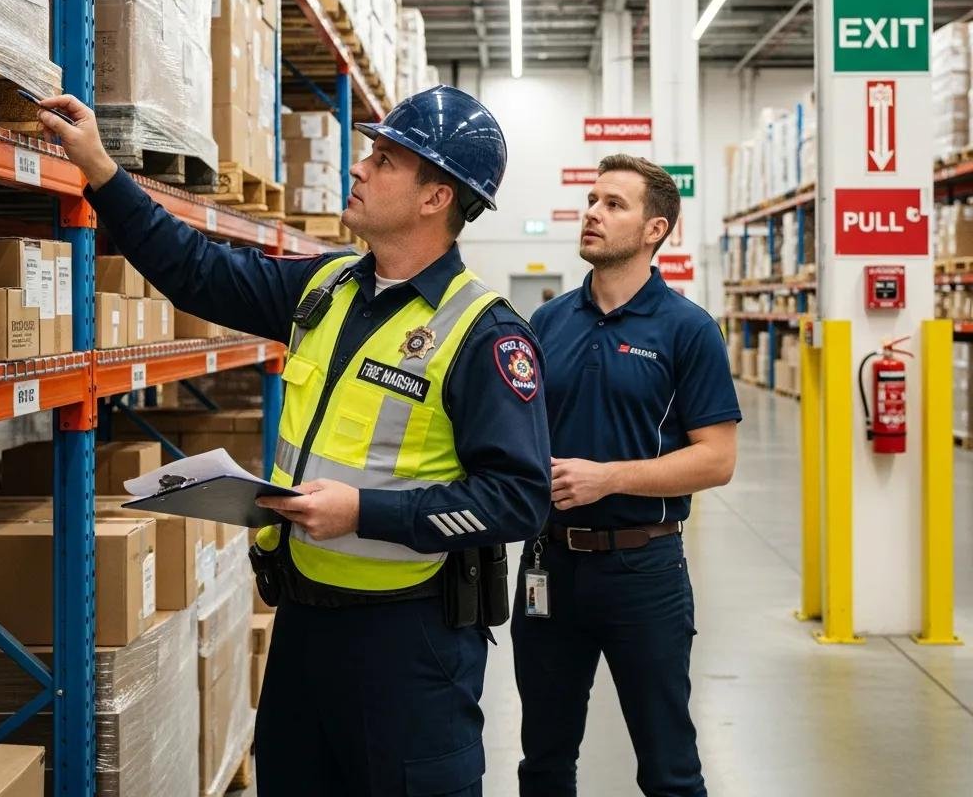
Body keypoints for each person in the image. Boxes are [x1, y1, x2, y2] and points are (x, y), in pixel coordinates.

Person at [38, 85, 552, 797]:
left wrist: (363, 513)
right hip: (306, 623)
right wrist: (102, 170)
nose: (359, 167)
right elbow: (196, 272)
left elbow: (518, 499)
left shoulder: (484, 334)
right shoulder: (326, 288)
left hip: (410, 645)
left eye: (385, 159)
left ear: (436, 197)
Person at [511, 154, 741, 797]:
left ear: (654, 230)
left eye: (614, 204)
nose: (593, 212)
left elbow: (717, 459)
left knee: (669, 768)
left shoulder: (688, 329)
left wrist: (609, 478)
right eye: (592, 200)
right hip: (548, 565)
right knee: (543, 761)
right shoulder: (547, 322)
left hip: (643, 571)